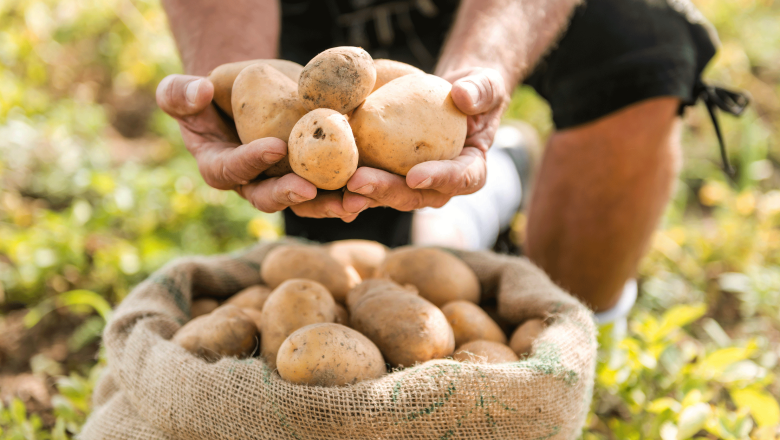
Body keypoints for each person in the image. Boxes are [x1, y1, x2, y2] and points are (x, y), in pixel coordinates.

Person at [155, 0, 737, 324]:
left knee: (637, 52)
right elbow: (241, 78)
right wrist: (228, 86)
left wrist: (475, 78)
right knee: (380, 259)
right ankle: (500, 180)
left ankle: (574, 333)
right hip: (309, 21)